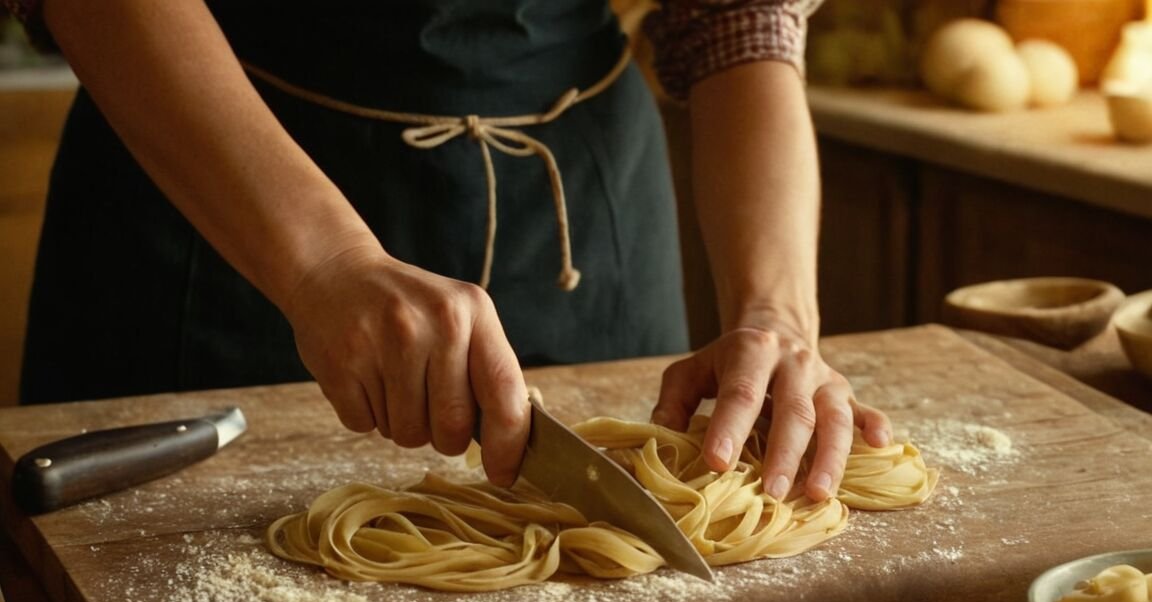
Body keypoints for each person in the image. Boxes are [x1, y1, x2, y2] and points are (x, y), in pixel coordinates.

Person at [7, 0, 890, 502]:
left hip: (584, 211)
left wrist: (777, 314)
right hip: (217, 186)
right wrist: (321, 263)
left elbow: (738, 16)